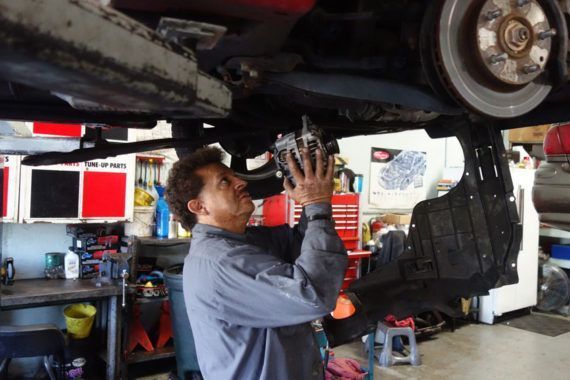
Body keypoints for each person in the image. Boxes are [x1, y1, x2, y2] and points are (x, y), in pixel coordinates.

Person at [165, 146, 348, 380]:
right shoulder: (221, 261)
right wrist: (317, 205)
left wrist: (309, 193)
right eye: (224, 182)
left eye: (234, 176)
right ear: (199, 206)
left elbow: (301, 242)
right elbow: (314, 295)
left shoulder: (244, 242)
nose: (240, 182)